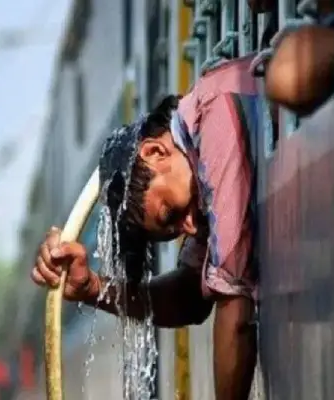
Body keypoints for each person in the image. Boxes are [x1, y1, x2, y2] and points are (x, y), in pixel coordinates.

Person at [31, 55, 263, 400]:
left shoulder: (214, 116)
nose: (190, 225)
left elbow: (235, 306)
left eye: (172, 212)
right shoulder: (193, 163)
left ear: (154, 151)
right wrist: (92, 288)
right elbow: (190, 297)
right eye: (175, 226)